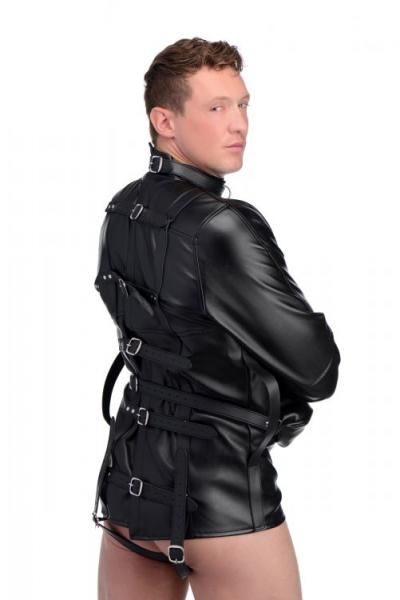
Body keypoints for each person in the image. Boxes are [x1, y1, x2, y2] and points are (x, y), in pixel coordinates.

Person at [93, 37, 341, 600]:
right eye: (216, 107)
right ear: (165, 121)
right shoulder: (222, 227)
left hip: (130, 493)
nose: (239, 124)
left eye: (243, 104)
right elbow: (319, 371)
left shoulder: (119, 210)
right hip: (224, 505)